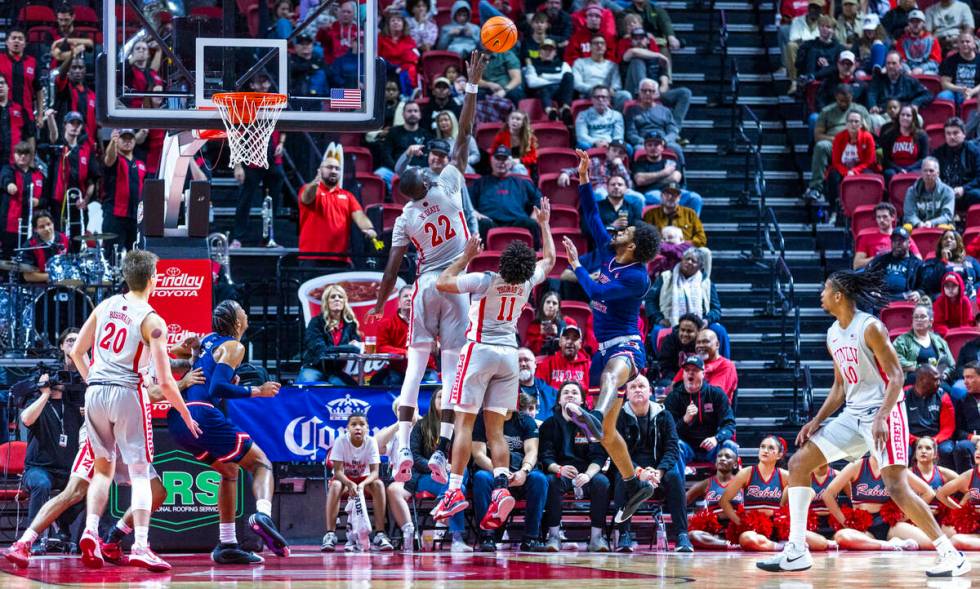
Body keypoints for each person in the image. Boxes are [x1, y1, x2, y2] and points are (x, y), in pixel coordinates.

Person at [756, 268, 970, 577]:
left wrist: (882, 416)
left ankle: (950, 554)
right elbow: (840, 387)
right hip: (852, 415)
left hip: (886, 413)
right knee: (801, 462)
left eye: (825, 290)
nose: (821, 295)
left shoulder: (870, 328)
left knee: (896, 487)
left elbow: (897, 376)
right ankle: (796, 551)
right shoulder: (832, 333)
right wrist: (816, 420)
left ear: (839, 295)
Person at [368, 52, 487, 487]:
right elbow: (465, 134)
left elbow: (392, 266)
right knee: (453, 376)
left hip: (424, 289)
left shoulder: (404, 218)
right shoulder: (449, 185)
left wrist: (380, 304)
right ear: (423, 183)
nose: (429, 170)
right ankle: (439, 451)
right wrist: (471, 87)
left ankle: (402, 445)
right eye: (424, 171)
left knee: (415, 372)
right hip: (453, 287)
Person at [3, 348, 201, 568]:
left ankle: (112, 538)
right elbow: (153, 393)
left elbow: (178, 365)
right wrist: (183, 385)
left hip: (110, 425)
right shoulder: (132, 358)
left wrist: (192, 354)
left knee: (156, 492)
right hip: (116, 427)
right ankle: (26, 541)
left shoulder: (150, 354)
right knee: (77, 491)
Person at [68, 250, 200, 571]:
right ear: (153, 278)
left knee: (103, 469)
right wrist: (185, 414)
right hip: (127, 391)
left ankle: (90, 531)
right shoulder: (152, 319)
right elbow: (167, 382)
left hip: (96, 390)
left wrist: (94, 382)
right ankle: (141, 544)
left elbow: (75, 352)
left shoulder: (105, 305)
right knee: (140, 473)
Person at [430, 198, 554, 532]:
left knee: (464, 423)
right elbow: (552, 260)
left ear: (503, 261)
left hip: (480, 350)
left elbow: (443, 282)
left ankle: (454, 489)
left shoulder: (485, 280)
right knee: (496, 429)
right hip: (509, 355)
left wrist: (465, 256)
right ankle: (501, 486)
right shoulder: (528, 283)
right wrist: (544, 224)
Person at [560, 148, 661, 524]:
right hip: (602, 348)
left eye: (626, 231)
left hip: (627, 344)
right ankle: (633, 482)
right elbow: (590, 215)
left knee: (611, 377)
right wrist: (586, 177)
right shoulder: (607, 251)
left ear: (632, 246)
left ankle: (595, 413)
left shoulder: (638, 276)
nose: (618, 230)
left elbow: (597, 293)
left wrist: (575, 267)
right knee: (605, 435)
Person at [166, 300, 287, 562]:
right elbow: (216, 388)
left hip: (179, 420)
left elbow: (203, 371)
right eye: (242, 309)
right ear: (237, 321)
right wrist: (258, 391)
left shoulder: (208, 340)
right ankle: (263, 514)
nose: (246, 311)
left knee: (229, 471)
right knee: (262, 464)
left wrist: (183, 352)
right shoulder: (234, 345)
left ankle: (227, 543)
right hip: (201, 413)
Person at [385, 389, 471, 552]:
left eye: (447, 397)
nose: (443, 400)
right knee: (458, 489)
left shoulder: (459, 426)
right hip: (426, 476)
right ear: (432, 401)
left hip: (450, 477)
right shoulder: (421, 425)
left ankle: (446, 502)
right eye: (440, 396)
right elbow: (415, 457)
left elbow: (465, 454)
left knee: (461, 476)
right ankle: (457, 538)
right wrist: (435, 467)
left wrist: (451, 468)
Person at [614, 374, 691, 552]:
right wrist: (639, 472)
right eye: (633, 387)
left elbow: (672, 449)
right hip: (630, 469)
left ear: (650, 391)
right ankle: (624, 535)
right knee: (621, 478)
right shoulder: (618, 417)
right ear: (626, 393)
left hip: (658, 471)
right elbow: (617, 452)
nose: (638, 389)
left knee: (674, 477)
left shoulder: (665, 415)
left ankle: (682, 535)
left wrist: (659, 472)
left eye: (642, 386)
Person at [720, 436, 836, 552]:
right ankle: (782, 547)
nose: (765, 450)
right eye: (762, 447)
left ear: (779, 455)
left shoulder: (784, 475)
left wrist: (784, 505)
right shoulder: (747, 473)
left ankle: (777, 544)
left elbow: (810, 491)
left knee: (820, 543)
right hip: (753, 528)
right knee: (747, 539)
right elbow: (724, 501)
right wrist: (739, 522)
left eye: (771, 448)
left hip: (778, 525)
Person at [471, 393, 550, 551]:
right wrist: (500, 473)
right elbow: (478, 454)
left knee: (539, 479)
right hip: (492, 471)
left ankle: (531, 538)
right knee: (480, 477)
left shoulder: (525, 420)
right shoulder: (482, 420)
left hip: (520, 472)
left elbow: (532, 451)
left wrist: (524, 471)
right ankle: (487, 537)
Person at [539, 381, 612, 551]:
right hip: (561, 471)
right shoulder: (549, 424)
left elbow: (599, 456)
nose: (570, 395)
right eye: (565, 392)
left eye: (574, 392)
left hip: (587, 472)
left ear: (582, 401)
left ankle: (596, 538)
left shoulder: (591, 424)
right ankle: (554, 536)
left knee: (602, 482)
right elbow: (545, 455)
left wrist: (587, 475)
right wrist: (558, 468)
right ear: (559, 401)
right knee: (551, 481)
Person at [817, 454, 928, 551]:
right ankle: (889, 545)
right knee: (842, 537)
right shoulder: (856, 465)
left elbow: (928, 492)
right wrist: (845, 522)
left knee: (929, 543)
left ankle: (885, 544)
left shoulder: (895, 468)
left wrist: (907, 516)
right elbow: (828, 495)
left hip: (890, 525)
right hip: (863, 528)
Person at [323, 412, 393, 551]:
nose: (358, 428)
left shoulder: (371, 441)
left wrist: (361, 484)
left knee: (379, 484)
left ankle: (380, 534)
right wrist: (350, 484)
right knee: (335, 485)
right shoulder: (340, 441)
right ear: (347, 428)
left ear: (367, 428)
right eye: (353, 424)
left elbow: (375, 472)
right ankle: (330, 535)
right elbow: (337, 472)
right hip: (344, 480)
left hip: (364, 480)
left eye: (362, 424)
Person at [646, 247, 729, 357]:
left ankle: (723, 366)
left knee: (719, 330)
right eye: (687, 259)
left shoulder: (706, 282)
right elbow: (650, 301)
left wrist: (707, 320)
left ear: (700, 266)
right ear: (682, 260)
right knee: (658, 331)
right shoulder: (666, 277)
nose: (689, 262)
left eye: (693, 261)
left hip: (699, 323)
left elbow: (716, 309)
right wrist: (659, 319)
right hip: (670, 321)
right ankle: (663, 366)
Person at [298, 154, 377, 266]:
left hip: (340, 259)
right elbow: (306, 198)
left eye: (337, 168)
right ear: (320, 170)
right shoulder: (308, 189)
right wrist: (315, 183)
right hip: (312, 258)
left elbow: (359, 215)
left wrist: (368, 228)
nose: (334, 171)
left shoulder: (348, 196)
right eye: (329, 167)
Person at [664, 356, 738, 475]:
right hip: (686, 447)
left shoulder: (716, 394)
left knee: (729, 445)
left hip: (712, 447)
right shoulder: (673, 398)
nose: (690, 373)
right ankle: (677, 491)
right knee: (674, 446)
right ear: (683, 375)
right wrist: (685, 420)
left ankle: (727, 490)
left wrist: (716, 438)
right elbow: (667, 432)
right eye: (687, 370)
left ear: (703, 374)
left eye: (695, 370)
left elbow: (729, 424)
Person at [469, 146, 543, 239]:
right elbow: (467, 205)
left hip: (517, 223)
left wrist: (534, 216)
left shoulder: (522, 182)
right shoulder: (480, 183)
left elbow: (540, 200)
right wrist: (477, 214)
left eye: (504, 158)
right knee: (481, 224)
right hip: (490, 222)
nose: (501, 162)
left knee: (531, 224)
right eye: (498, 158)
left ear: (510, 162)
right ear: (491, 160)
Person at [371, 285, 437, 386]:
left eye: (412, 296)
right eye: (406, 296)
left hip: (425, 369)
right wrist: (405, 353)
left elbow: (435, 347)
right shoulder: (386, 323)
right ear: (399, 302)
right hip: (399, 370)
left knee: (432, 388)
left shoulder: (427, 322)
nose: (409, 299)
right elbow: (381, 347)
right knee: (392, 381)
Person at [44, 111, 100, 227]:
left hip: (78, 204)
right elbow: (53, 134)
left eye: (78, 124)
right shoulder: (59, 145)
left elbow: (92, 181)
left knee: (78, 239)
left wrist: (85, 200)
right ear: (65, 125)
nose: (75, 127)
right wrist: (50, 118)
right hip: (58, 203)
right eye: (72, 123)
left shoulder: (86, 150)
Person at [299, 285, 363, 384]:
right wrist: (348, 347)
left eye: (340, 296)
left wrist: (352, 347)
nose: (337, 299)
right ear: (327, 301)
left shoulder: (350, 325)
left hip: (336, 371)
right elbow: (321, 350)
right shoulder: (316, 322)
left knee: (351, 389)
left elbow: (357, 349)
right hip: (315, 367)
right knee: (306, 384)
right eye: (333, 297)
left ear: (344, 302)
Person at [632, 128, 701, 213]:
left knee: (695, 198)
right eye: (650, 145)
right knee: (659, 198)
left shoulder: (671, 160)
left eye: (656, 145)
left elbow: (675, 178)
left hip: (674, 191)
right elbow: (640, 180)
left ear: (662, 147)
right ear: (645, 148)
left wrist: (650, 180)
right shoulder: (640, 163)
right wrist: (665, 172)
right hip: (652, 193)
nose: (653, 148)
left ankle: (691, 224)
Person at [685, 446, 742, 549]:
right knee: (692, 535)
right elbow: (682, 502)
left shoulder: (742, 482)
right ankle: (728, 546)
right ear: (716, 463)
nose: (722, 458)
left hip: (737, 529)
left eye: (727, 456)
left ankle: (725, 544)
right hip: (714, 532)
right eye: (719, 456)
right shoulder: (706, 483)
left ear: (735, 464)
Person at [101, 129, 146, 253]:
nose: (127, 141)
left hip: (135, 217)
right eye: (123, 138)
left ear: (134, 141)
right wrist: (113, 142)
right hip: (114, 216)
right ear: (118, 140)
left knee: (137, 257)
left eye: (130, 138)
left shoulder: (141, 163)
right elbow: (109, 159)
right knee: (112, 256)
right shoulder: (116, 160)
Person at [866, 51, 933, 130]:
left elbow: (928, 94)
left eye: (894, 63)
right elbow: (871, 93)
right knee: (872, 119)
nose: (890, 66)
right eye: (888, 63)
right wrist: (873, 105)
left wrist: (915, 103)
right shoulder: (878, 80)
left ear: (901, 65)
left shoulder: (909, 81)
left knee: (918, 118)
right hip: (884, 115)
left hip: (903, 115)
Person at [904, 363, 956, 465]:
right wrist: (914, 440)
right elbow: (898, 425)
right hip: (910, 438)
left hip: (937, 438)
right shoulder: (903, 395)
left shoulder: (943, 396)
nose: (939, 383)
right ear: (922, 380)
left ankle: (944, 479)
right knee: (905, 451)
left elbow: (948, 427)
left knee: (946, 450)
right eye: (936, 379)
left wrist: (933, 441)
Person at [625, 81, 686, 166]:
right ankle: (638, 175)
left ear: (656, 94)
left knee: (676, 148)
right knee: (637, 149)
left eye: (651, 91)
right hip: (643, 142)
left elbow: (673, 131)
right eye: (644, 91)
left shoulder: (665, 111)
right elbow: (630, 133)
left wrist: (664, 141)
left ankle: (680, 175)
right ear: (639, 92)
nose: (647, 93)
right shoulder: (631, 111)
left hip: (663, 141)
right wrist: (644, 142)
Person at [672, 328, 738, 405]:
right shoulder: (691, 361)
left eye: (705, 342)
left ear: (717, 344)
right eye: (698, 342)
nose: (700, 345)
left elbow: (712, 396)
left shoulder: (726, 365)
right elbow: (673, 386)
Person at [935, 441, 980, 550]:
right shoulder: (970, 474)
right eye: (977, 448)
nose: (978, 452)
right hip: (976, 526)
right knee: (953, 537)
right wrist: (959, 510)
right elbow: (941, 494)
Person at [0, 141, 43, 255]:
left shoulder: (38, 174)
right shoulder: (8, 170)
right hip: (9, 223)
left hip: (31, 224)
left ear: (31, 156)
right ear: (14, 155)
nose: (23, 156)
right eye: (19, 153)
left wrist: (38, 201)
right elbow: (4, 179)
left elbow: (46, 197)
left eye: (26, 153)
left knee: (28, 256)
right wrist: (9, 185)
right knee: (8, 256)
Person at [894, 304, 955, 382]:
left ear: (930, 321)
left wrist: (945, 374)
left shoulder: (940, 341)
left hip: (938, 381)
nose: (919, 320)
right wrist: (921, 368)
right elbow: (895, 361)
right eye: (916, 317)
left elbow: (952, 366)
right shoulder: (902, 340)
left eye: (922, 317)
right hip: (914, 382)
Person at [931, 117, 980, 210]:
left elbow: (979, 178)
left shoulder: (975, 152)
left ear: (964, 134)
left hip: (967, 192)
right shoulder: (938, 153)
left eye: (955, 133)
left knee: (977, 195)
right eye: (948, 133)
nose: (952, 137)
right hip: (944, 192)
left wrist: (964, 189)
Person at [854, 203, 921, 270]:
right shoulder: (866, 238)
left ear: (893, 217)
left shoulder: (903, 236)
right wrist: (878, 258)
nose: (881, 220)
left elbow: (919, 260)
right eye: (878, 217)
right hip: (877, 274)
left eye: (885, 217)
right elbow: (856, 265)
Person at [917, 229, 980, 300]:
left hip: (970, 298)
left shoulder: (970, 260)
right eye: (945, 238)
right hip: (945, 300)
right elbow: (929, 286)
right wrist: (943, 261)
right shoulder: (933, 262)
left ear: (958, 242)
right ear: (941, 243)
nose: (948, 240)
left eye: (952, 238)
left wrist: (974, 288)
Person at [867, 227, 924, 302]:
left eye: (901, 240)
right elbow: (867, 276)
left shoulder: (917, 263)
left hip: (906, 300)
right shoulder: (881, 259)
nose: (897, 243)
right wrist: (873, 289)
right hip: (881, 299)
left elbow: (924, 286)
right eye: (894, 240)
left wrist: (918, 293)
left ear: (909, 243)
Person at [525, 37, 575, 121]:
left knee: (569, 76)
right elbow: (531, 83)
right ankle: (551, 112)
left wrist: (544, 77)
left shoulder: (563, 64)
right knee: (544, 89)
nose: (548, 52)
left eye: (551, 50)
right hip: (543, 92)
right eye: (545, 49)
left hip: (560, 92)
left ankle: (565, 109)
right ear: (540, 52)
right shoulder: (533, 66)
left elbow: (569, 78)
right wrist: (558, 79)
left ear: (555, 52)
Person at [641, 183, 706, 246]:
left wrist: (684, 244)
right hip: (659, 251)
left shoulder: (690, 214)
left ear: (679, 197)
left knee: (704, 251)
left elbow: (701, 238)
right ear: (661, 196)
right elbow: (645, 237)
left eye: (674, 194)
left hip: (684, 251)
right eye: (667, 194)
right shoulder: (650, 214)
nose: (671, 197)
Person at [903, 157, 955, 230]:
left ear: (938, 173)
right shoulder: (911, 191)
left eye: (931, 171)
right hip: (917, 229)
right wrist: (918, 223)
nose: (928, 173)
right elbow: (909, 215)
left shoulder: (948, 192)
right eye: (925, 171)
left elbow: (947, 216)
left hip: (940, 230)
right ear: (921, 172)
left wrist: (931, 223)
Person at [23, 210, 70, 283]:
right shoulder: (29, 245)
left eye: (49, 224)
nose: (47, 229)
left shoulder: (64, 239)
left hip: (64, 283)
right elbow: (27, 276)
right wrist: (52, 276)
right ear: (35, 230)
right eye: (42, 227)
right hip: (40, 286)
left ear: (53, 223)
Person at [573, 85, 625, 150]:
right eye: (597, 97)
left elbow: (618, 136)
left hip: (611, 145)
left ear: (609, 99)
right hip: (590, 144)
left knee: (628, 148)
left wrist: (608, 143)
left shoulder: (617, 115)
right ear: (592, 99)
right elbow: (581, 136)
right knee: (581, 145)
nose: (600, 100)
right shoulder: (583, 115)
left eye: (603, 97)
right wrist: (595, 142)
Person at [655, 313, 701, 385]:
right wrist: (678, 381)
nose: (685, 334)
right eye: (682, 330)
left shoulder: (702, 343)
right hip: (673, 379)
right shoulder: (670, 340)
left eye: (689, 331)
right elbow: (665, 366)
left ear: (698, 332)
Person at [491, 110, 539, 178]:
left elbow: (533, 158)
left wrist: (520, 161)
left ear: (523, 123)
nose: (514, 121)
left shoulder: (529, 138)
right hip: (503, 166)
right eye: (512, 118)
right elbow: (493, 154)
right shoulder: (500, 136)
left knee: (518, 168)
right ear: (508, 121)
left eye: (518, 119)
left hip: (521, 167)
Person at [379, 12, 419, 92]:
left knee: (410, 70)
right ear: (388, 24)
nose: (396, 22)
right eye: (393, 20)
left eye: (399, 20)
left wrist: (401, 68)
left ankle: (407, 96)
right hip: (386, 69)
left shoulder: (409, 40)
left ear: (403, 24)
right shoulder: (381, 38)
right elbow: (378, 57)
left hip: (403, 70)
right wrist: (394, 67)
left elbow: (413, 59)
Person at [938, 31, 980, 105]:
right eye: (962, 42)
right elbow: (945, 83)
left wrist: (972, 92)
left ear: (974, 44)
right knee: (943, 96)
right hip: (956, 91)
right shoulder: (950, 60)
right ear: (958, 45)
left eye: (968, 42)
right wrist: (961, 89)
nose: (965, 44)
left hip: (976, 92)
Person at [897, 10, 943, 75]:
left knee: (929, 73)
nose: (915, 24)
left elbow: (935, 61)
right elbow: (900, 60)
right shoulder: (902, 40)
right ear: (908, 24)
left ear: (923, 23)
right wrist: (907, 70)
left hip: (926, 70)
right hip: (908, 70)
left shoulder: (932, 40)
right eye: (912, 21)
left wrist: (921, 69)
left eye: (918, 21)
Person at [952, 362, 980, 470]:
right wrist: (971, 437)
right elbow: (957, 431)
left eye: (969, 377)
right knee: (961, 447)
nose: (965, 382)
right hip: (973, 441)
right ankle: (966, 485)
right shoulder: (962, 401)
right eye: (964, 378)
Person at [518, 348, 558, 421]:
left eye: (526, 360)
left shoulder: (552, 393)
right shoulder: (507, 392)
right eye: (518, 361)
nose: (523, 364)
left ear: (535, 364)